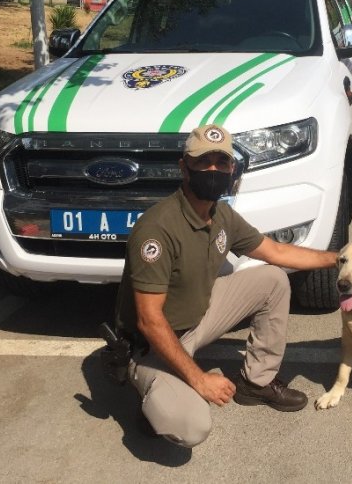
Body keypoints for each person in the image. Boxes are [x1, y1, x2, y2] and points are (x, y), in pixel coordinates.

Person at [114, 124, 337, 447]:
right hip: (152, 344)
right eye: (203, 162)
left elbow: (275, 251)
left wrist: (341, 258)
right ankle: (151, 398)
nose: (213, 170)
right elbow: (149, 320)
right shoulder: (157, 228)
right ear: (184, 167)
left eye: (222, 162)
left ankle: (256, 383)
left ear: (232, 168)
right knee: (191, 427)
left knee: (272, 279)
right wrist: (200, 380)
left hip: (196, 320)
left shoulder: (222, 216)